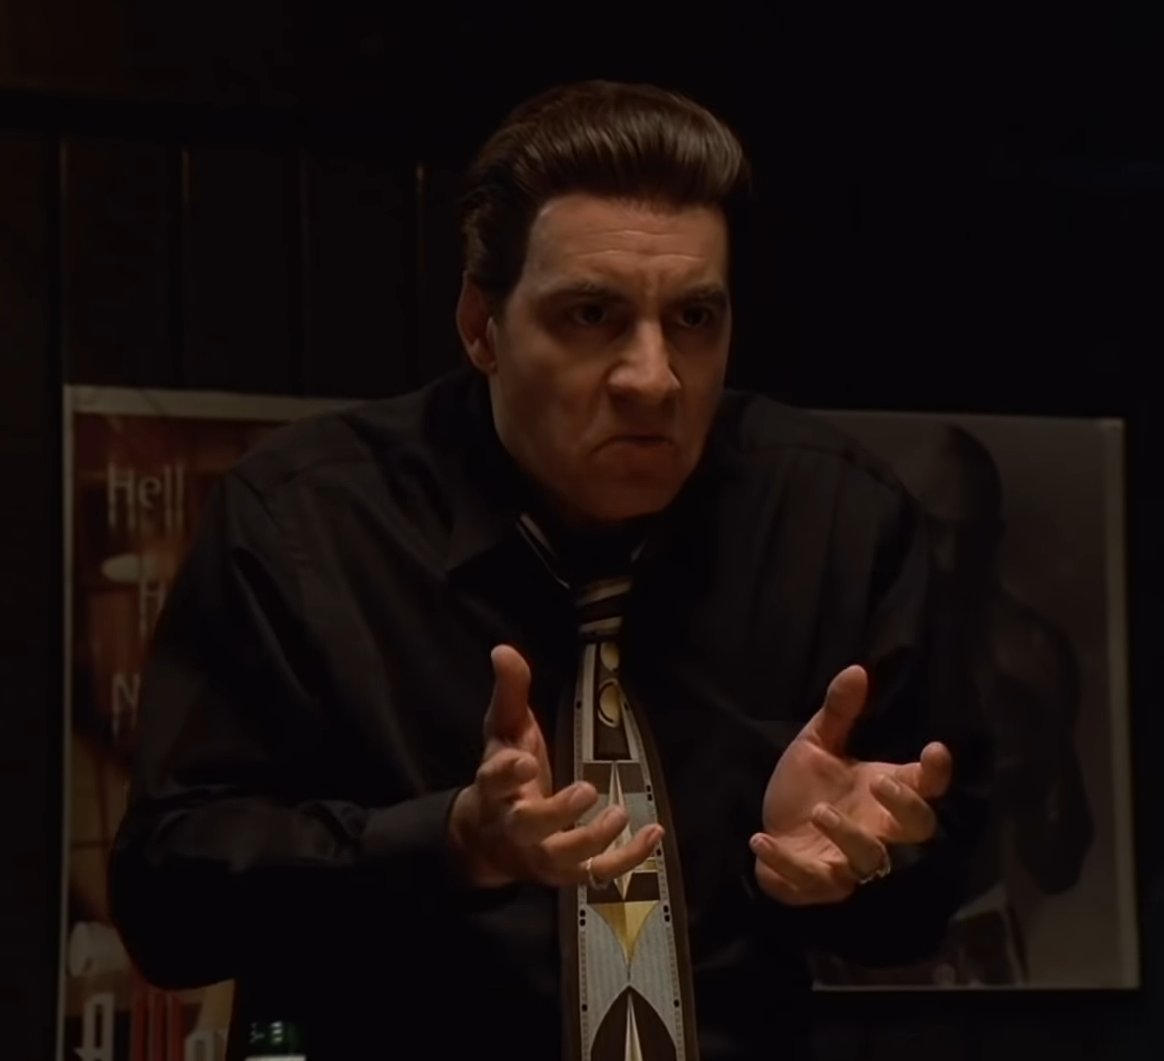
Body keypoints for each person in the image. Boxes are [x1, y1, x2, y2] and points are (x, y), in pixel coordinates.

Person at [108, 80, 991, 1061]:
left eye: (694, 317)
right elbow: (166, 902)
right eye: (592, 314)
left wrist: (853, 864)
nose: (653, 376)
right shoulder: (306, 523)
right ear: (481, 326)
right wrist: (449, 841)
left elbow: (922, 900)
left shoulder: (837, 519)